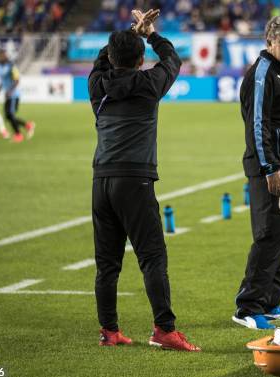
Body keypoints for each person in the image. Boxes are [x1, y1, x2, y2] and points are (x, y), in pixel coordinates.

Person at [88, 9, 200, 351]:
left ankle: (110, 331)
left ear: (110, 56)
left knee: (107, 264)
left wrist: (131, 34)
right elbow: (172, 58)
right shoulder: (149, 84)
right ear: (140, 60)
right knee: (153, 257)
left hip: (101, 180)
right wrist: (149, 33)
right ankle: (164, 331)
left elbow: (101, 60)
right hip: (134, 180)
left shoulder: (97, 85)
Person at [233, 15, 280, 330]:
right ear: (269, 42)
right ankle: (248, 307)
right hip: (273, 171)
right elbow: (258, 123)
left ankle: (270, 302)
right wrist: (270, 166)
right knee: (269, 237)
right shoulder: (263, 72)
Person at [0, 48, 35, 143]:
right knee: (8, 116)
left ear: (6, 56)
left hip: (13, 95)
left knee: (10, 115)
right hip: (8, 95)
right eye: (0, 55)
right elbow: (2, 80)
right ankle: (27, 125)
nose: (2, 57)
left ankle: (18, 135)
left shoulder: (11, 66)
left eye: (3, 55)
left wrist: (10, 90)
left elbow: (17, 80)